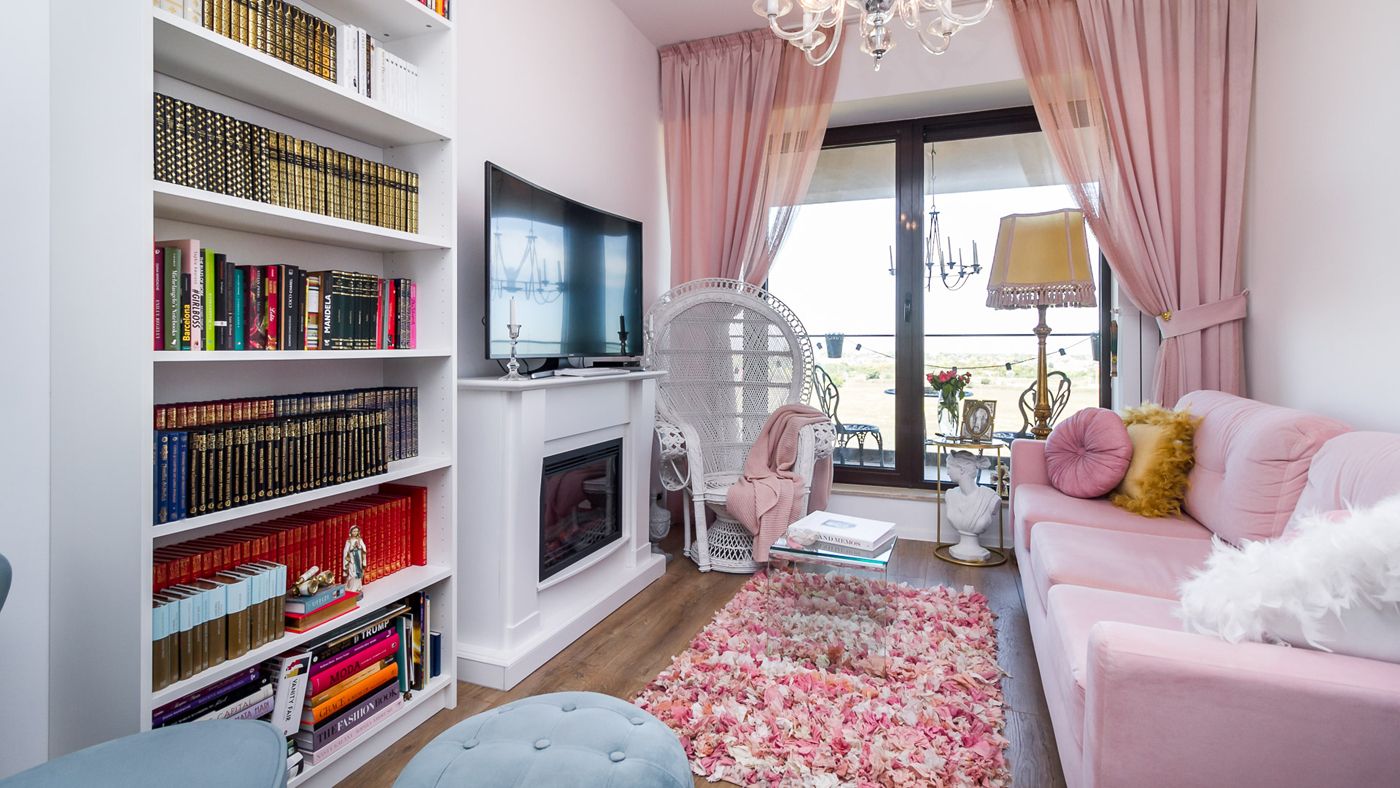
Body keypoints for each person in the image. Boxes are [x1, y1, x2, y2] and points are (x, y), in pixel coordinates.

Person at [944, 450, 999, 561]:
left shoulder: (990, 497)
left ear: (962, 470)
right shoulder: (950, 495)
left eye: (949, 468)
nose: (947, 473)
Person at [343, 525, 368, 593]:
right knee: (352, 574)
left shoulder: (360, 540)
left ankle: (358, 587)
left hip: (358, 559)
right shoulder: (348, 541)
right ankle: (351, 588)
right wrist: (352, 547)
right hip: (352, 559)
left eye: (356, 531)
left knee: (358, 573)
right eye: (354, 531)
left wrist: (359, 546)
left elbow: (364, 548)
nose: (355, 532)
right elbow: (346, 551)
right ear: (351, 532)